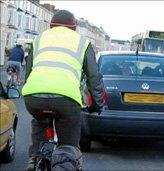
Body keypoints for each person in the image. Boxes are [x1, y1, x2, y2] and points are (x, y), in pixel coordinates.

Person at [22, 10, 103, 171]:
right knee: (69, 149)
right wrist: (98, 104)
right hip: (66, 100)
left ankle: (35, 158)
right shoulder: (82, 42)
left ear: (51, 26)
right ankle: (66, 161)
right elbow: (94, 77)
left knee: (39, 121)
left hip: (33, 97)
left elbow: (29, 72)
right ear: (74, 28)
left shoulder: (38, 40)